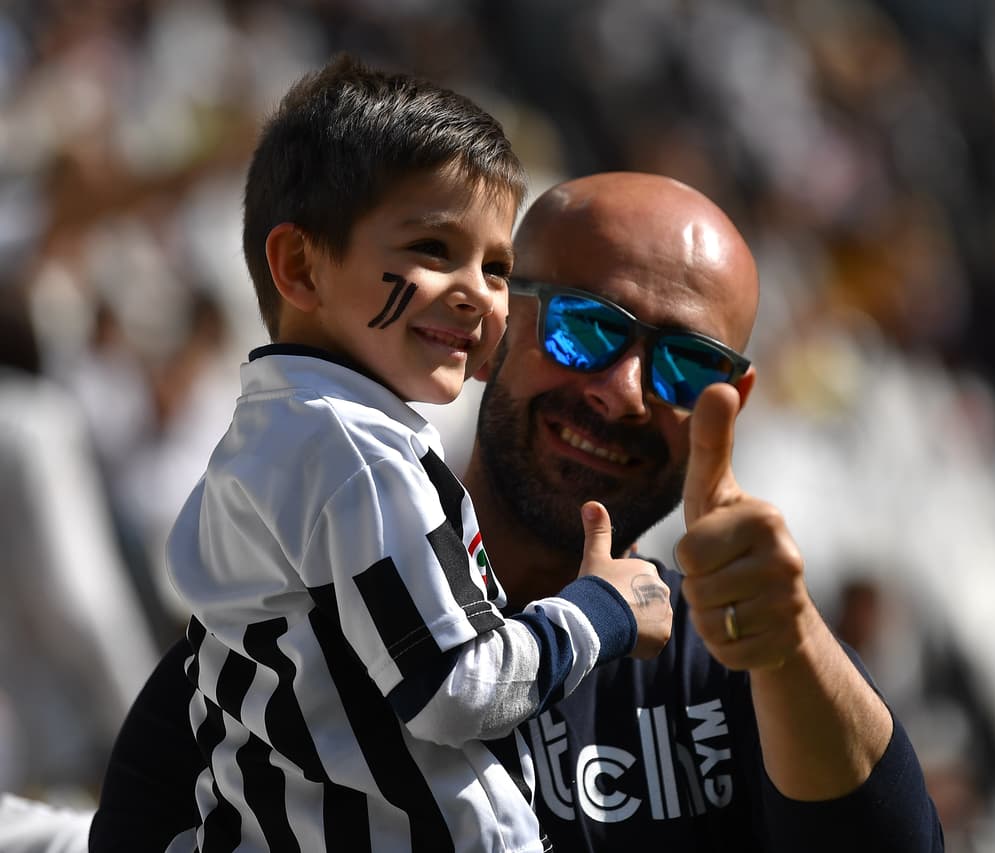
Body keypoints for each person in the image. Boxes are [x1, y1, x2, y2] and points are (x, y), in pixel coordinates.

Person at [91, 172, 943, 851]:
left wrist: (790, 643)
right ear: (495, 326)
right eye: (583, 328)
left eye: (685, 363)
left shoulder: (744, 656)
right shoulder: (287, 637)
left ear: (734, 396)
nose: (621, 393)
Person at [138, 56, 674, 853]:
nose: (478, 294)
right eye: (433, 247)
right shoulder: (356, 451)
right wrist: (599, 610)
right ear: (300, 266)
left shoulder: (290, 431)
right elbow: (456, 688)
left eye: (497, 268)